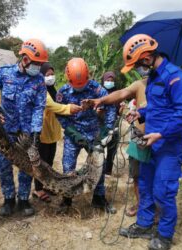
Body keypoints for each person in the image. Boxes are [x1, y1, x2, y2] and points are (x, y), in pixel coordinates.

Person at [118, 34, 182, 250]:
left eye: (136, 65)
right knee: (145, 185)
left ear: (146, 58)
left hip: (170, 144)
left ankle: (164, 235)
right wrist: (140, 115)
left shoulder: (176, 77)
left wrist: (161, 134)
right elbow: (156, 109)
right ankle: (144, 225)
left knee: (163, 190)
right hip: (150, 141)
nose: (137, 70)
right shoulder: (152, 78)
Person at [0, 38, 48, 217]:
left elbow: (39, 107)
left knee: (27, 168)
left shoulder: (39, 81)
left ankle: (23, 200)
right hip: (4, 132)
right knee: (4, 166)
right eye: (37, 63)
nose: (38, 68)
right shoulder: (5, 73)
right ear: (25, 59)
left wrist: (36, 132)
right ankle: (8, 200)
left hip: (26, 134)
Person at [56, 58, 116, 212]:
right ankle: (67, 199)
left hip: (93, 134)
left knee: (98, 167)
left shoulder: (96, 89)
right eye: (76, 85)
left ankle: (99, 198)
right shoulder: (62, 92)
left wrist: (107, 129)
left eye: (82, 84)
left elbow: (110, 106)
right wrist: (70, 130)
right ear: (68, 79)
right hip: (72, 135)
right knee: (68, 166)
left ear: (87, 77)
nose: (79, 88)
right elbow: (59, 112)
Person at [83, 77, 148, 217]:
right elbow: (122, 93)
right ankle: (141, 205)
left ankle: (156, 212)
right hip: (139, 136)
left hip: (159, 138)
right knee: (137, 175)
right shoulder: (140, 84)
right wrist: (101, 100)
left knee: (155, 177)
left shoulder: (171, 83)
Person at [33, 62, 82, 202]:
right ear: (41, 76)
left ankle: (47, 185)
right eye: (47, 75)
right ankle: (38, 189)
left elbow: (60, 102)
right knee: (41, 163)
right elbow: (53, 106)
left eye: (52, 74)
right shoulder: (41, 90)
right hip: (42, 131)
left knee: (49, 162)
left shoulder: (53, 90)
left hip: (53, 132)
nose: (51, 77)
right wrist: (68, 108)